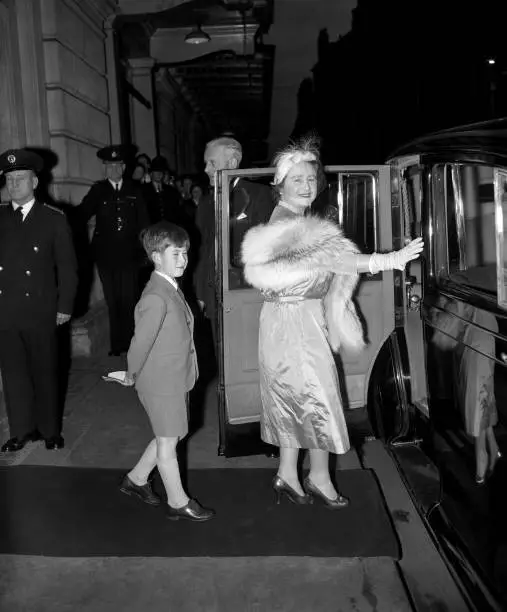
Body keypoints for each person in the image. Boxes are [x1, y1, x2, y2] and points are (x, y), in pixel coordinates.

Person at [241, 139, 423, 507]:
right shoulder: (293, 223)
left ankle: (288, 475)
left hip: (288, 318)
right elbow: (342, 261)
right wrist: (390, 260)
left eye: (311, 178)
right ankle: (319, 477)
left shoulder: (291, 219)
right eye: (298, 180)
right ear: (281, 185)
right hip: (295, 321)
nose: (307, 186)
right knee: (317, 398)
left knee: (292, 398)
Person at [120, 222, 215, 522]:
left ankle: (135, 480)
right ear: (156, 256)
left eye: (185, 253)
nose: (184, 260)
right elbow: (139, 343)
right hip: (160, 382)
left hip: (173, 377)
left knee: (167, 435)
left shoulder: (170, 288)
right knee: (167, 441)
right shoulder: (156, 297)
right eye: (176, 254)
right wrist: (130, 374)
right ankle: (178, 501)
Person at [0, 148, 78, 452]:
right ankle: (21, 430)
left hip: (41, 309)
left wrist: (65, 307)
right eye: (9, 179)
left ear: (35, 182)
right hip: (6, 310)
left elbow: (69, 269)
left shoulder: (53, 219)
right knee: (14, 373)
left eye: (20, 178)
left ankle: (49, 431)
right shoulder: (0, 218)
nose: (14, 184)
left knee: (45, 371)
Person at [195, 137, 274, 336]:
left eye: (211, 163)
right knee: (221, 354)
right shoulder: (206, 202)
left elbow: (269, 250)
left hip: (247, 294)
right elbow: (202, 250)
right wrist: (200, 292)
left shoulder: (260, 195)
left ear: (232, 164)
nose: (206, 170)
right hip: (214, 295)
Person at [77, 145, 150, 356]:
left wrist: (146, 250)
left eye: (117, 165)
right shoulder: (98, 190)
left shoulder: (134, 190)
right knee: (112, 300)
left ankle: (130, 343)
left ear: (124, 167)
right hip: (105, 255)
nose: (113, 170)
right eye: (109, 166)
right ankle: (116, 345)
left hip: (129, 254)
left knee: (128, 299)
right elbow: (82, 213)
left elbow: (144, 223)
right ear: (104, 168)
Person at [143, 156, 182, 225]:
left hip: (169, 227)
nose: (159, 174)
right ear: (151, 174)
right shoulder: (143, 190)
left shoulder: (171, 191)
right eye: (156, 171)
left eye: (161, 171)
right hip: (151, 227)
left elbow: (176, 211)